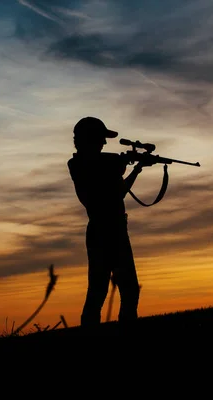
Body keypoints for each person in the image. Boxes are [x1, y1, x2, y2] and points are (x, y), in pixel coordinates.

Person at [67, 116, 148, 328]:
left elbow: (118, 191)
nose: (104, 143)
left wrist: (135, 169)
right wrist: (127, 170)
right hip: (105, 231)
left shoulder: (101, 164)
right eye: (101, 138)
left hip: (113, 230)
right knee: (101, 291)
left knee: (123, 290)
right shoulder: (79, 164)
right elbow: (114, 194)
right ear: (90, 139)